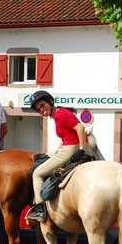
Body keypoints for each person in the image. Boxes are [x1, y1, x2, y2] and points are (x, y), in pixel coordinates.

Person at [25, 90, 92, 222]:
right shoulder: (57, 115)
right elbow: (67, 136)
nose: (42, 110)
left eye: (43, 105)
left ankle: (39, 209)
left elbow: (80, 127)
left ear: (50, 102)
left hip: (71, 149)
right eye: (38, 109)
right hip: (67, 147)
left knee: (37, 174)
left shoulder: (61, 113)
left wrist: (82, 149)